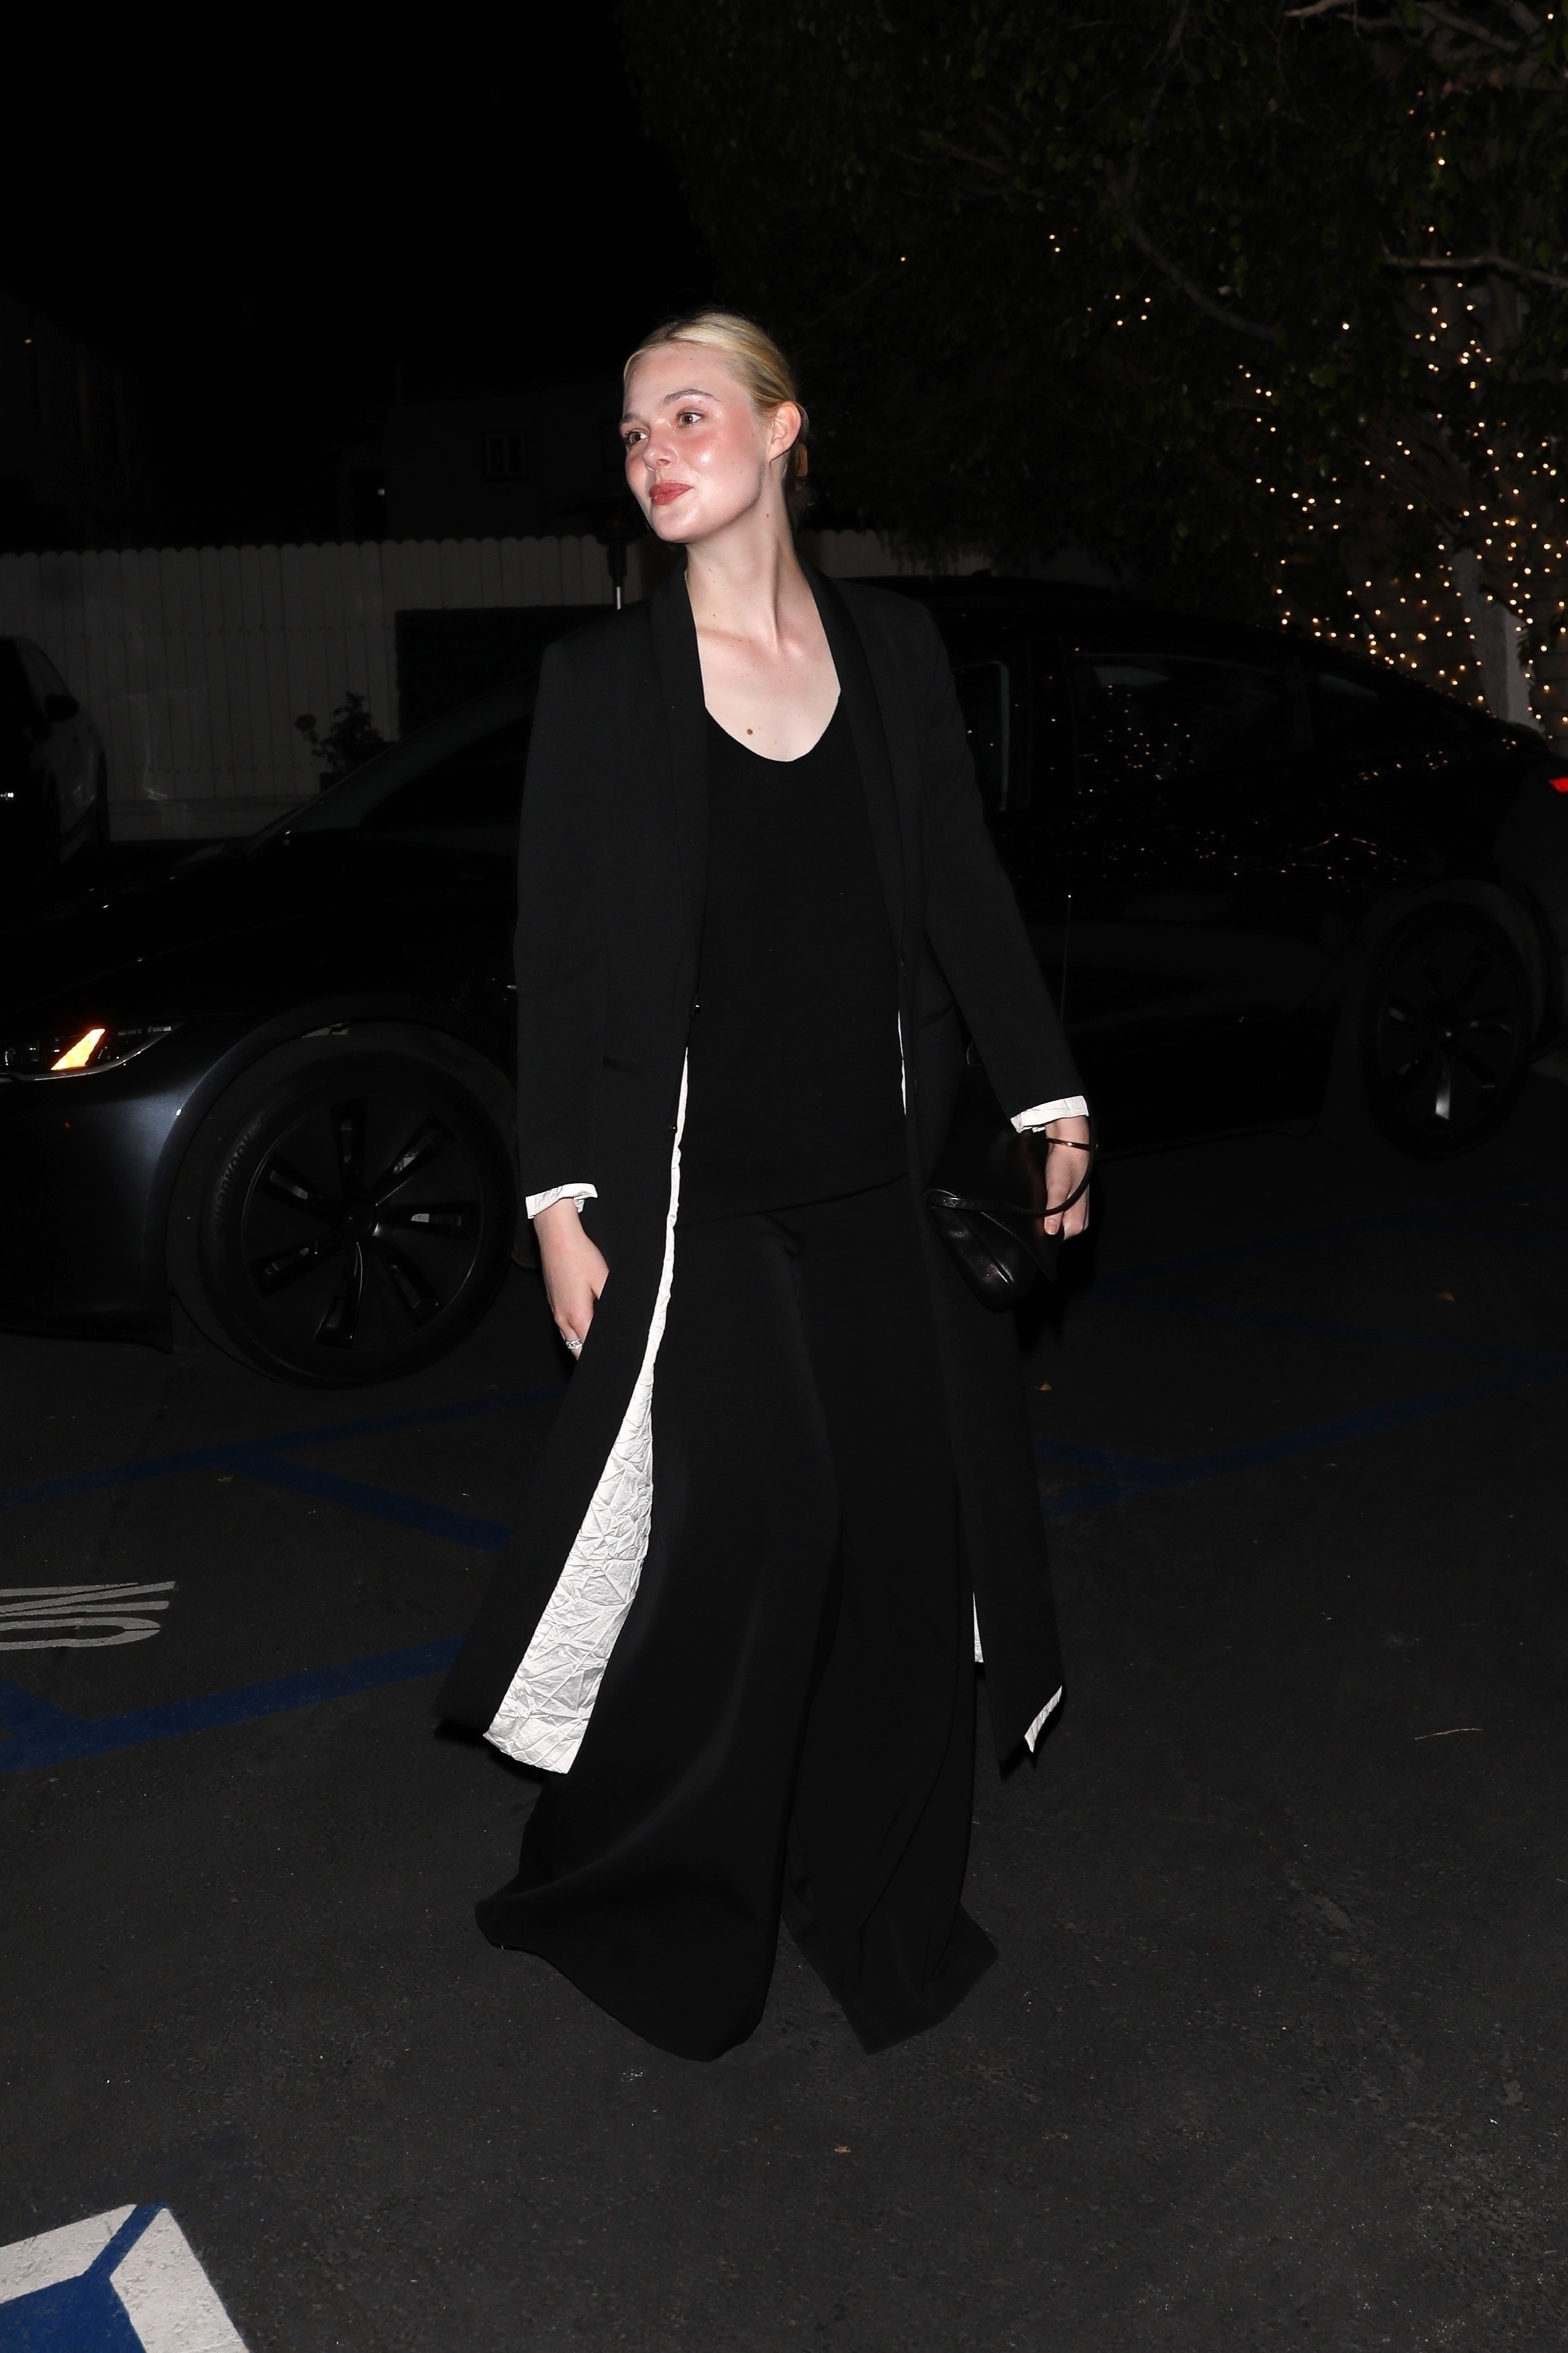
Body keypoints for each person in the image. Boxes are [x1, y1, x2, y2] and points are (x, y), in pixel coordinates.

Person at [436, 311, 1091, 2061]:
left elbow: (965, 889)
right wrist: (558, 1202)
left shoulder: (893, 651)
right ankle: (647, 1900)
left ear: (785, 430)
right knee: (762, 1539)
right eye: (632, 430)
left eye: (688, 413)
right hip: (700, 1203)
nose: (652, 451)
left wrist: (1053, 1096)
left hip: (881, 1188)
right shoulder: (604, 684)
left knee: (908, 1551)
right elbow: (564, 961)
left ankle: (876, 1906)